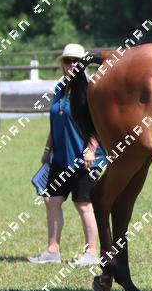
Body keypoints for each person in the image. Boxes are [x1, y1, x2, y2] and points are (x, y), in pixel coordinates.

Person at [28, 43, 107, 266]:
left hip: (86, 160)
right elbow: (56, 122)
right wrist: (47, 151)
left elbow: (99, 123)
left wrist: (91, 149)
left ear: (83, 64)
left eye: (76, 61)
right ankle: (53, 251)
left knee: (83, 204)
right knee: (51, 200)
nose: (71, 64)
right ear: (62, 64)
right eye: (67, 60)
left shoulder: (91, 89)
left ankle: (91, 253)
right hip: (61, 158)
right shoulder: (60, 88)